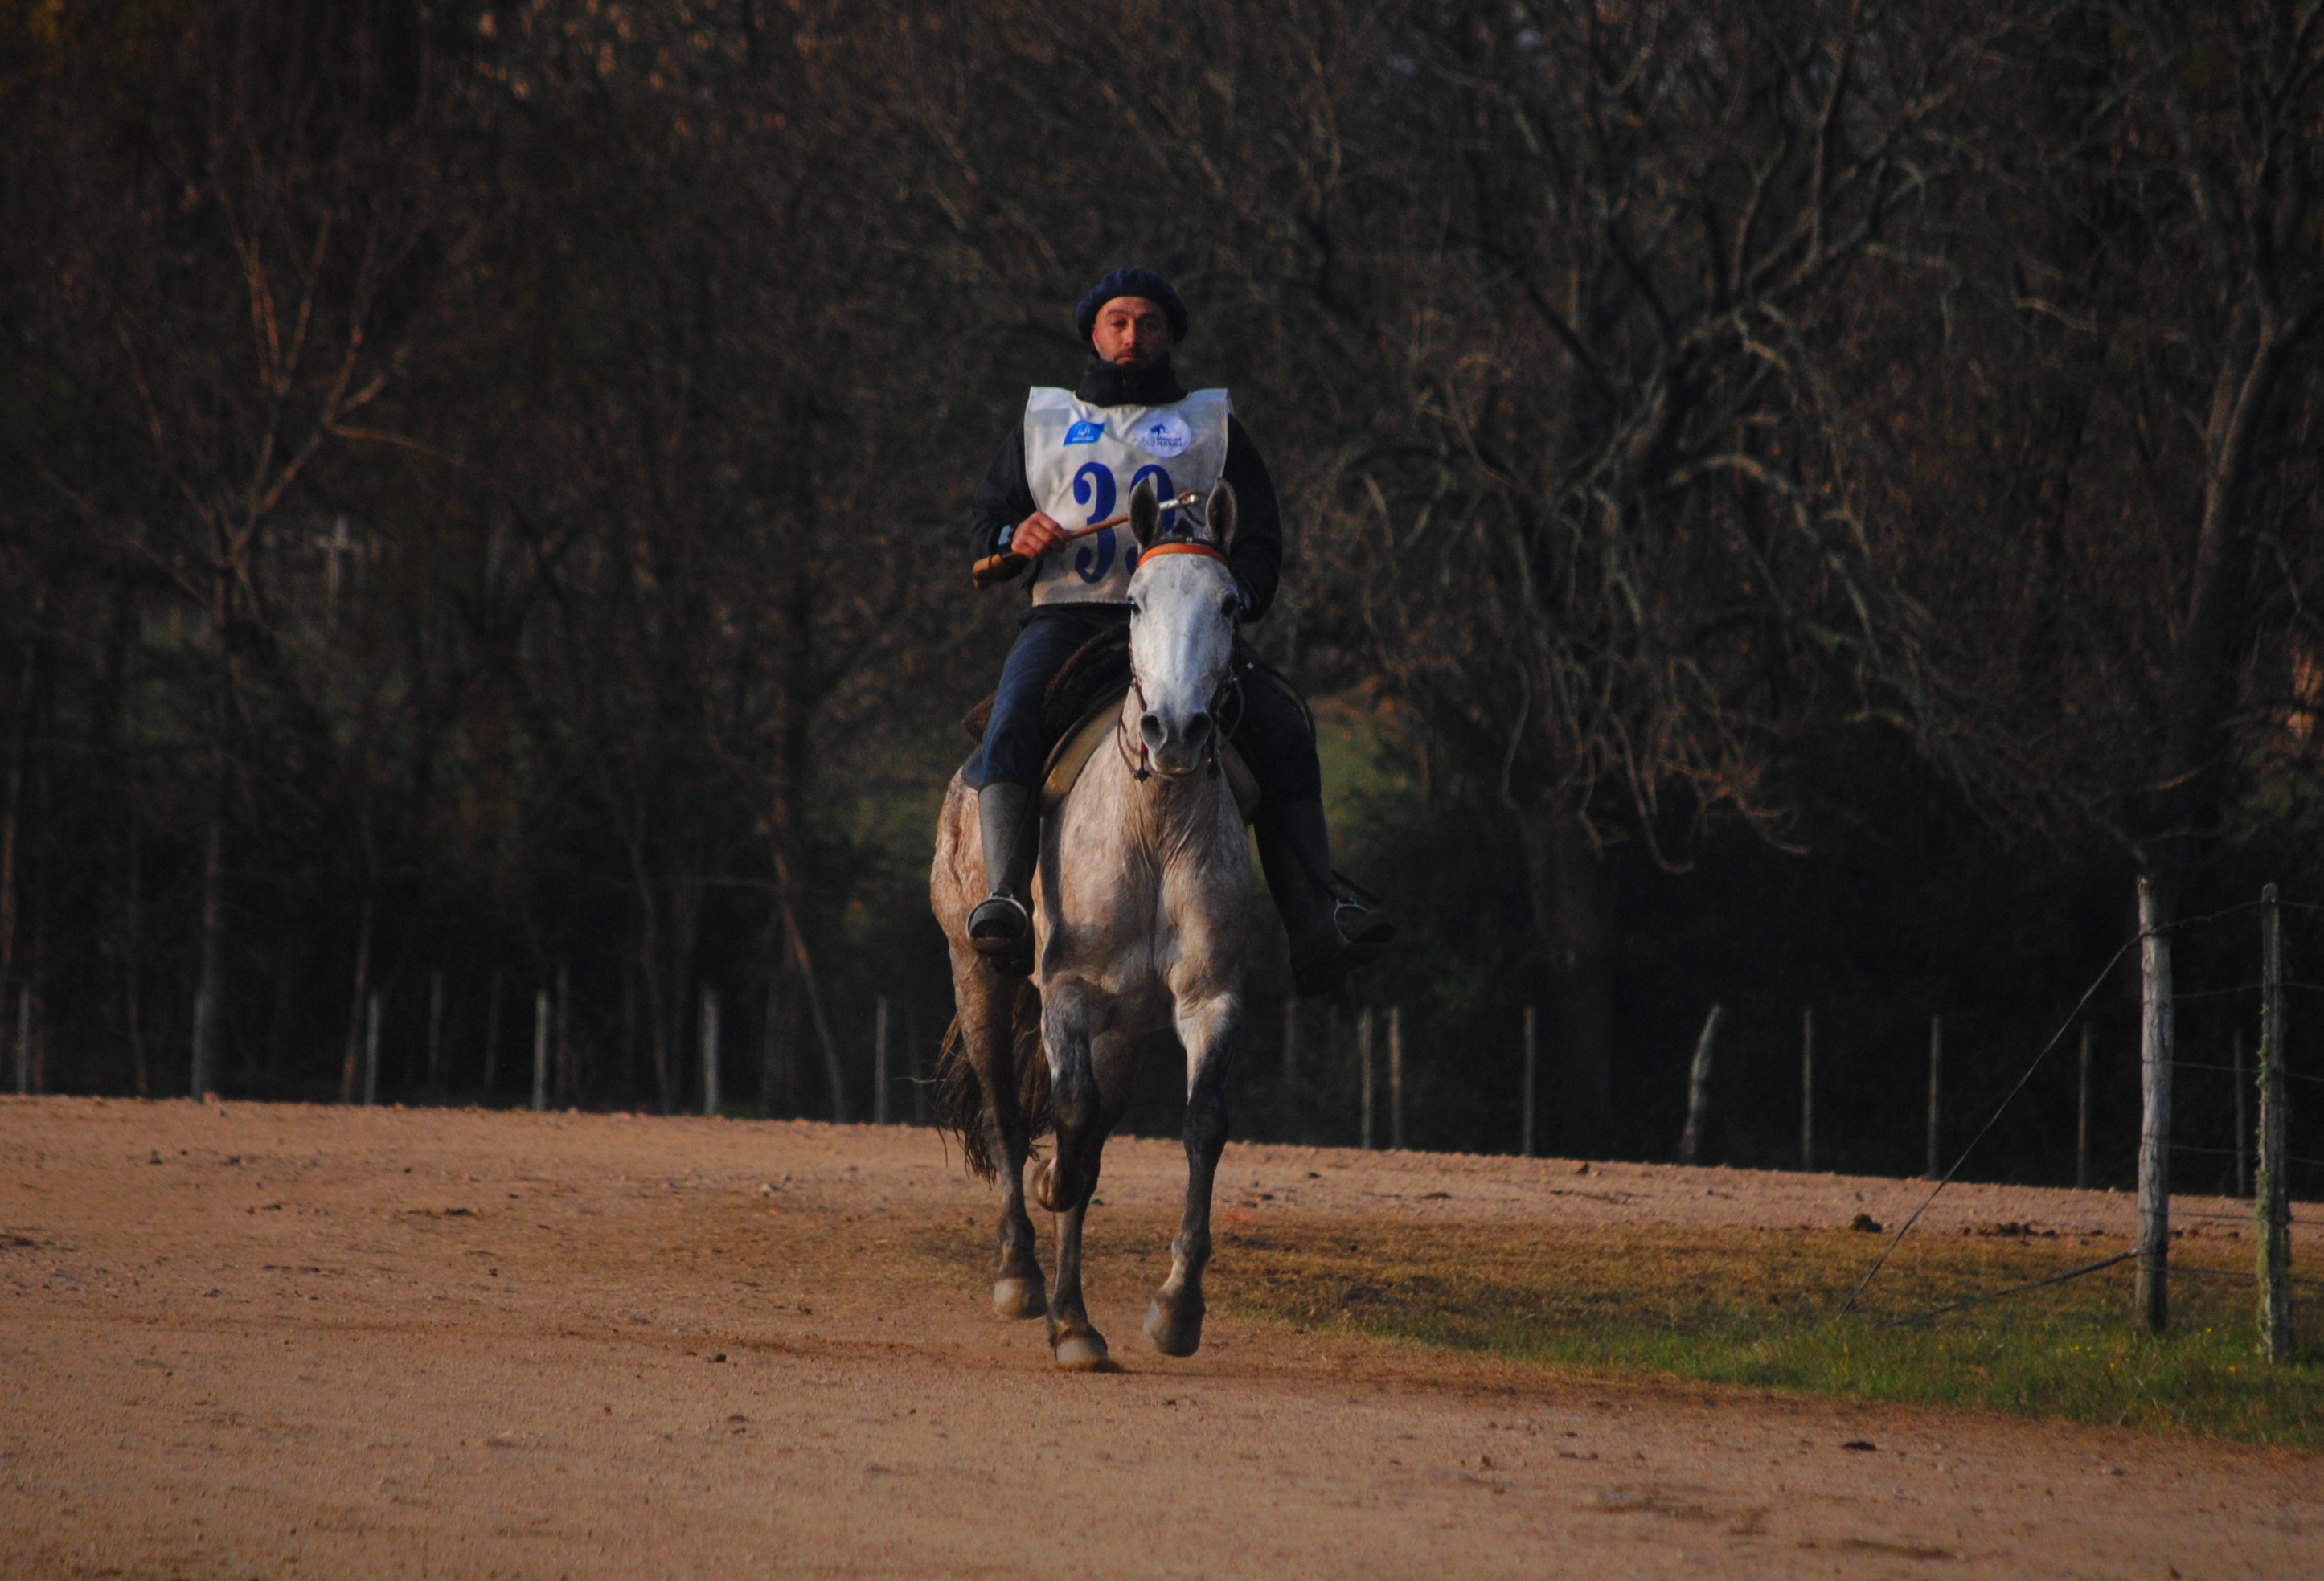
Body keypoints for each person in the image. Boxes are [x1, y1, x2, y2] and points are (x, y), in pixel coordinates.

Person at [961, 266, 1392, 995]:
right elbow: (985, 532)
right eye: (1118, 323)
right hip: (1072, 613)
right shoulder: (1041, 422)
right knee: (1011, 720)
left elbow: (1258, 539)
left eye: (1149, 324)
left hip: (1184, 624)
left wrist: (1237, 592)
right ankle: (1004, 896)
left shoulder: (1212, 424)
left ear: (1170, 336)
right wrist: (1016, 534)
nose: (1133, 336)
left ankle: (1319, 916)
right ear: (1093, 334)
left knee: (1283, 725)